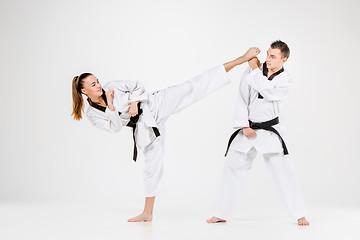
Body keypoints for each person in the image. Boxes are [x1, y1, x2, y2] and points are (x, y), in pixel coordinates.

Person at [71, 47, 260, 222]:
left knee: (193, 87)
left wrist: (135, 102)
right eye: (93, 84)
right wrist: (111, 106)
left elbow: (137, 85)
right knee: (151, 167)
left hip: (155, 104)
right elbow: (114, 128)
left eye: (97, 81)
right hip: (144, 128)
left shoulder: (112, 85)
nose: (99, 85)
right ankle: (147, 213)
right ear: (83, 91)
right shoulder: (92, 114)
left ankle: (242, 59)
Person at [206, 40, 310, 226]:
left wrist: (254, 70)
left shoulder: (285, 79)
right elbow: (241, 98)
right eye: (267, 55)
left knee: (284, 172)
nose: (267, 59)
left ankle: (299, 213)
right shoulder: (253, 70)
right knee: (232, 168)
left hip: (271, 131)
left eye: (273, 56)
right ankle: (221, 213)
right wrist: (244, 125)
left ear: (284, 60)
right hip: (248, 129)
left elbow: (269, 91)